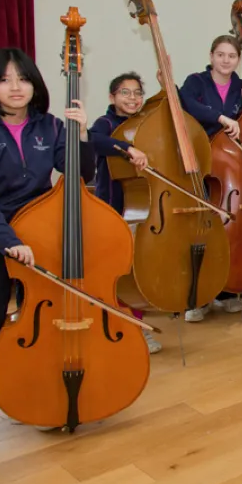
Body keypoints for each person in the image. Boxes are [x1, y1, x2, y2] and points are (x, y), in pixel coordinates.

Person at [0, 48, 94, 461]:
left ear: (34, 84)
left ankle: (37, 402)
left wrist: (81, 136)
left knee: (40, 327)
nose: (15, 87)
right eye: (6, 79)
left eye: (23, 78)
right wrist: (9, 240)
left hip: (40, 239)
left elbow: (82, 175)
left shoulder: (49, 125)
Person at [88, 72, 159, 353]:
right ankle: (118, 324)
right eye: (125, 93)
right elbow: (94, 140)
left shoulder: (145, 124)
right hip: (114, 207)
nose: (133, 98)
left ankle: (138, 325)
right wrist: (129, 148)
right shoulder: (105, 123)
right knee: (118, 271)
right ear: (112, 97)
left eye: (137, 93)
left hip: (144, 208)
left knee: (137, 271)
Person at [177, 34, 242, 322]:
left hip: (228, 166)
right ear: (211, 56)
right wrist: (221, 118)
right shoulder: (195, 81)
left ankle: (227, 290)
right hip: (200, 163)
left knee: (228, 230)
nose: (226, 60)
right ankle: (198, 298)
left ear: (238, 59)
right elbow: (187, 105)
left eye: (231, 55)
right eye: (221, 54)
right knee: (200, 230)